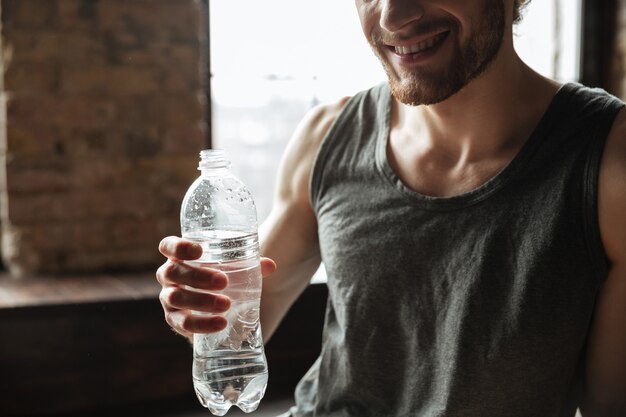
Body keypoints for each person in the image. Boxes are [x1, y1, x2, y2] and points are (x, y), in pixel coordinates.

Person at [156, 0, 626, 415]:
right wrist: (201, 310)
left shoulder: (608, 161)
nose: (393, 15)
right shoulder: (325, 136)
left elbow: (608, 404)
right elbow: (246, 316)